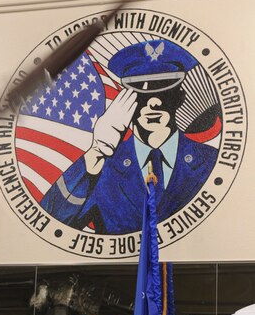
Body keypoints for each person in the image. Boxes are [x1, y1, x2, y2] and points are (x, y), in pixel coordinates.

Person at [41, 39, 219, 234]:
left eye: (163, 88)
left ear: (180, 97)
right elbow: (48, 222)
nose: (153, 102)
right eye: (142, 90)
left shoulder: (210, 162)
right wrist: (97, 152)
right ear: (125, 99)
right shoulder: (104, 168)